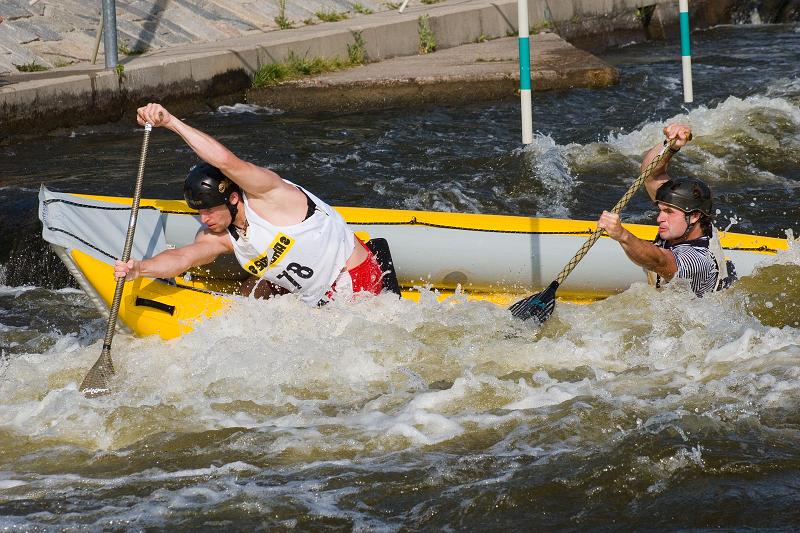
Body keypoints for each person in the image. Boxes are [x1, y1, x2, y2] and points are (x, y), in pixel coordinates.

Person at [114, 103, 383, 306]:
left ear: (232, 198)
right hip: (307, 292)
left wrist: (171, 122)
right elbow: (184, 257)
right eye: (200, 212)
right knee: (253, 289)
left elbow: (226, 162)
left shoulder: (268, 194)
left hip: (353, 280)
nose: (204, 219)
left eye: (209, 210)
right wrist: (140, 268)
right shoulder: (218, 235)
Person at [597, 123, 734, 297]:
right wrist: (670, 146)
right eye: (660, 210)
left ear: (694, 216)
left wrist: (622, 235)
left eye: (669, 212)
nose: (659, 218)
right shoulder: (686, 223)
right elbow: (650, 175)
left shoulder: (698, 260)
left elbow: (659, 261)